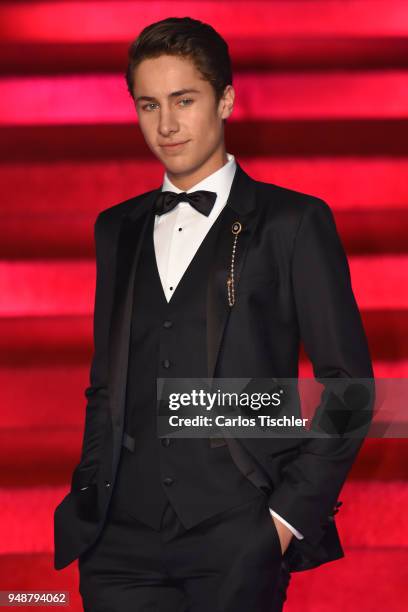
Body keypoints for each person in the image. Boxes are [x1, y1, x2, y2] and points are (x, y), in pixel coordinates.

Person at [53, 16, 374, 612]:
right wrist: (92, 492)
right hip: (119, 546)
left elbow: (351, 389)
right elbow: (106, 382)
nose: (166, 124)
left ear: (225, 100)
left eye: (184, 100)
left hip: (238, 534)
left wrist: (284, 520)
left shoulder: (292, 223)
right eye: (149, 104)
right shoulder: (115, 229)